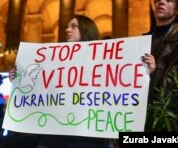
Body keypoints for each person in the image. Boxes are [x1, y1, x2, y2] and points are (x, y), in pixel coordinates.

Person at [9, 15, 106, 148]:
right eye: (67, 26)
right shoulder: (54, 60)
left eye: (73, 26)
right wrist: (18, 78)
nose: (67, 30)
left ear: (86, 30)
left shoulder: (103, 61)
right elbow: (38, 88)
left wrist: (145, 68)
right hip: (53, 135)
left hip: (86, 136)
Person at [142, 0, 178, 131]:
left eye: (168, 0)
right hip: (138, 120)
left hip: (162, 124)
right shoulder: (143, 40)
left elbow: (177, 91)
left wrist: (155, 70)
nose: (161, 2)